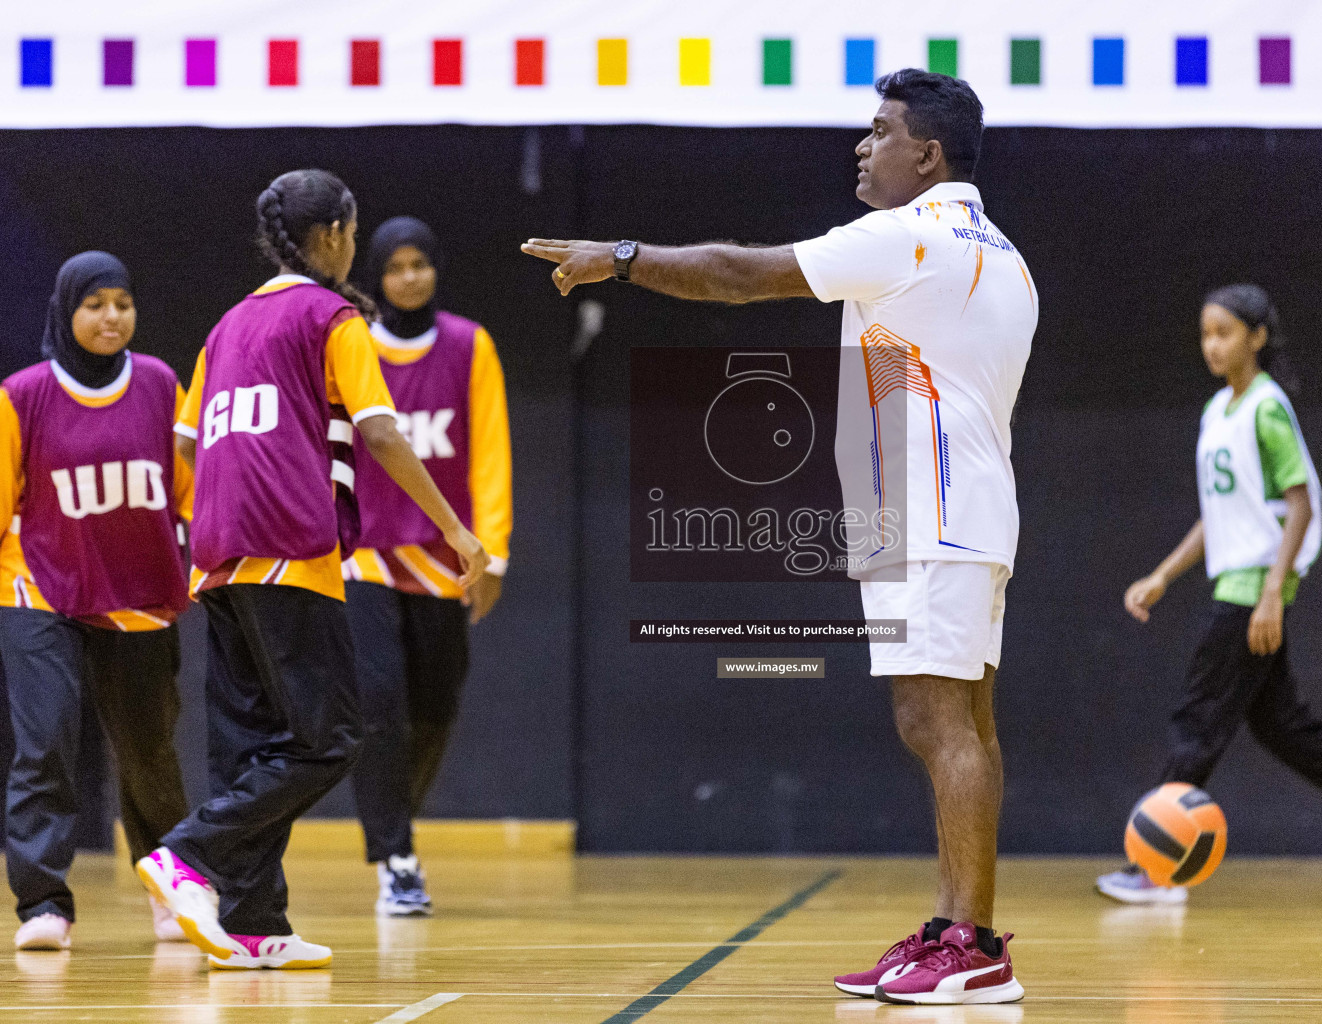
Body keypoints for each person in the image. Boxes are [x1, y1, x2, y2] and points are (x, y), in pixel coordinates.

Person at [523, 69, 1036, 1005]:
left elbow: (738, 277)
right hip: (965, 510)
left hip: (931, 513)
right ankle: (961, 932)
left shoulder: (908, 234)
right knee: (969, 724)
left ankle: (969, 944)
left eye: (879, 131)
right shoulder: (997, 250)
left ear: (926, 154)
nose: (861, 145)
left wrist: (624, 255)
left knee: (935, 721)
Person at [135, 169, 488, 971]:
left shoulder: (226, 326)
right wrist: (457, 532)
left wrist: (207, 515)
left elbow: (186, 443)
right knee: (331, 739)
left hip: (217, 557)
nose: (356, 248)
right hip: (291, 549)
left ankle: (258, 924)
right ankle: (187, 854)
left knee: (251, 745)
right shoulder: (334, 316)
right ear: (332, 234)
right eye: (355, 234)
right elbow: (384, 434)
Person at [1095, 284, 1322, 906]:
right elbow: (1216, 512)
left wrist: (1273, 593)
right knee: (1282, 726)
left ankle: (1160, 867)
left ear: (1256, 336)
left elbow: (1300, 503)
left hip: (1255, 585)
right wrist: (1163, 575)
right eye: (1204, 334)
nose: (1212, 345)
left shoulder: (1267, 409)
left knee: (1198, 720)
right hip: (1238, 580)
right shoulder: (1217, 411)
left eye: (1224, 332)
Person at [0, 252, 193, 950]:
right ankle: (43, 904)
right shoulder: (23, 395)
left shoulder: (161, 384)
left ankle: (172, 891)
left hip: (138, 590)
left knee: (148, 751)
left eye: (122, 302)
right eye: (94, 304)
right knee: (44, 740)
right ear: (66, 311)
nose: (111, 317)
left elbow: (190, 491)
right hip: (39, 587)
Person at [343, 216, 511, 915]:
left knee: (435, 708)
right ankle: (397, 857)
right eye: (394, 267)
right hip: (365, 554)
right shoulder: (351, 346)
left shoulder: (469, 345)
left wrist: (492, 551)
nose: (408, 277)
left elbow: (490, 449)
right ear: (376, 277)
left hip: (445, 558)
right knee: (378, 705)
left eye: (419, 263)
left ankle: (394, 821)